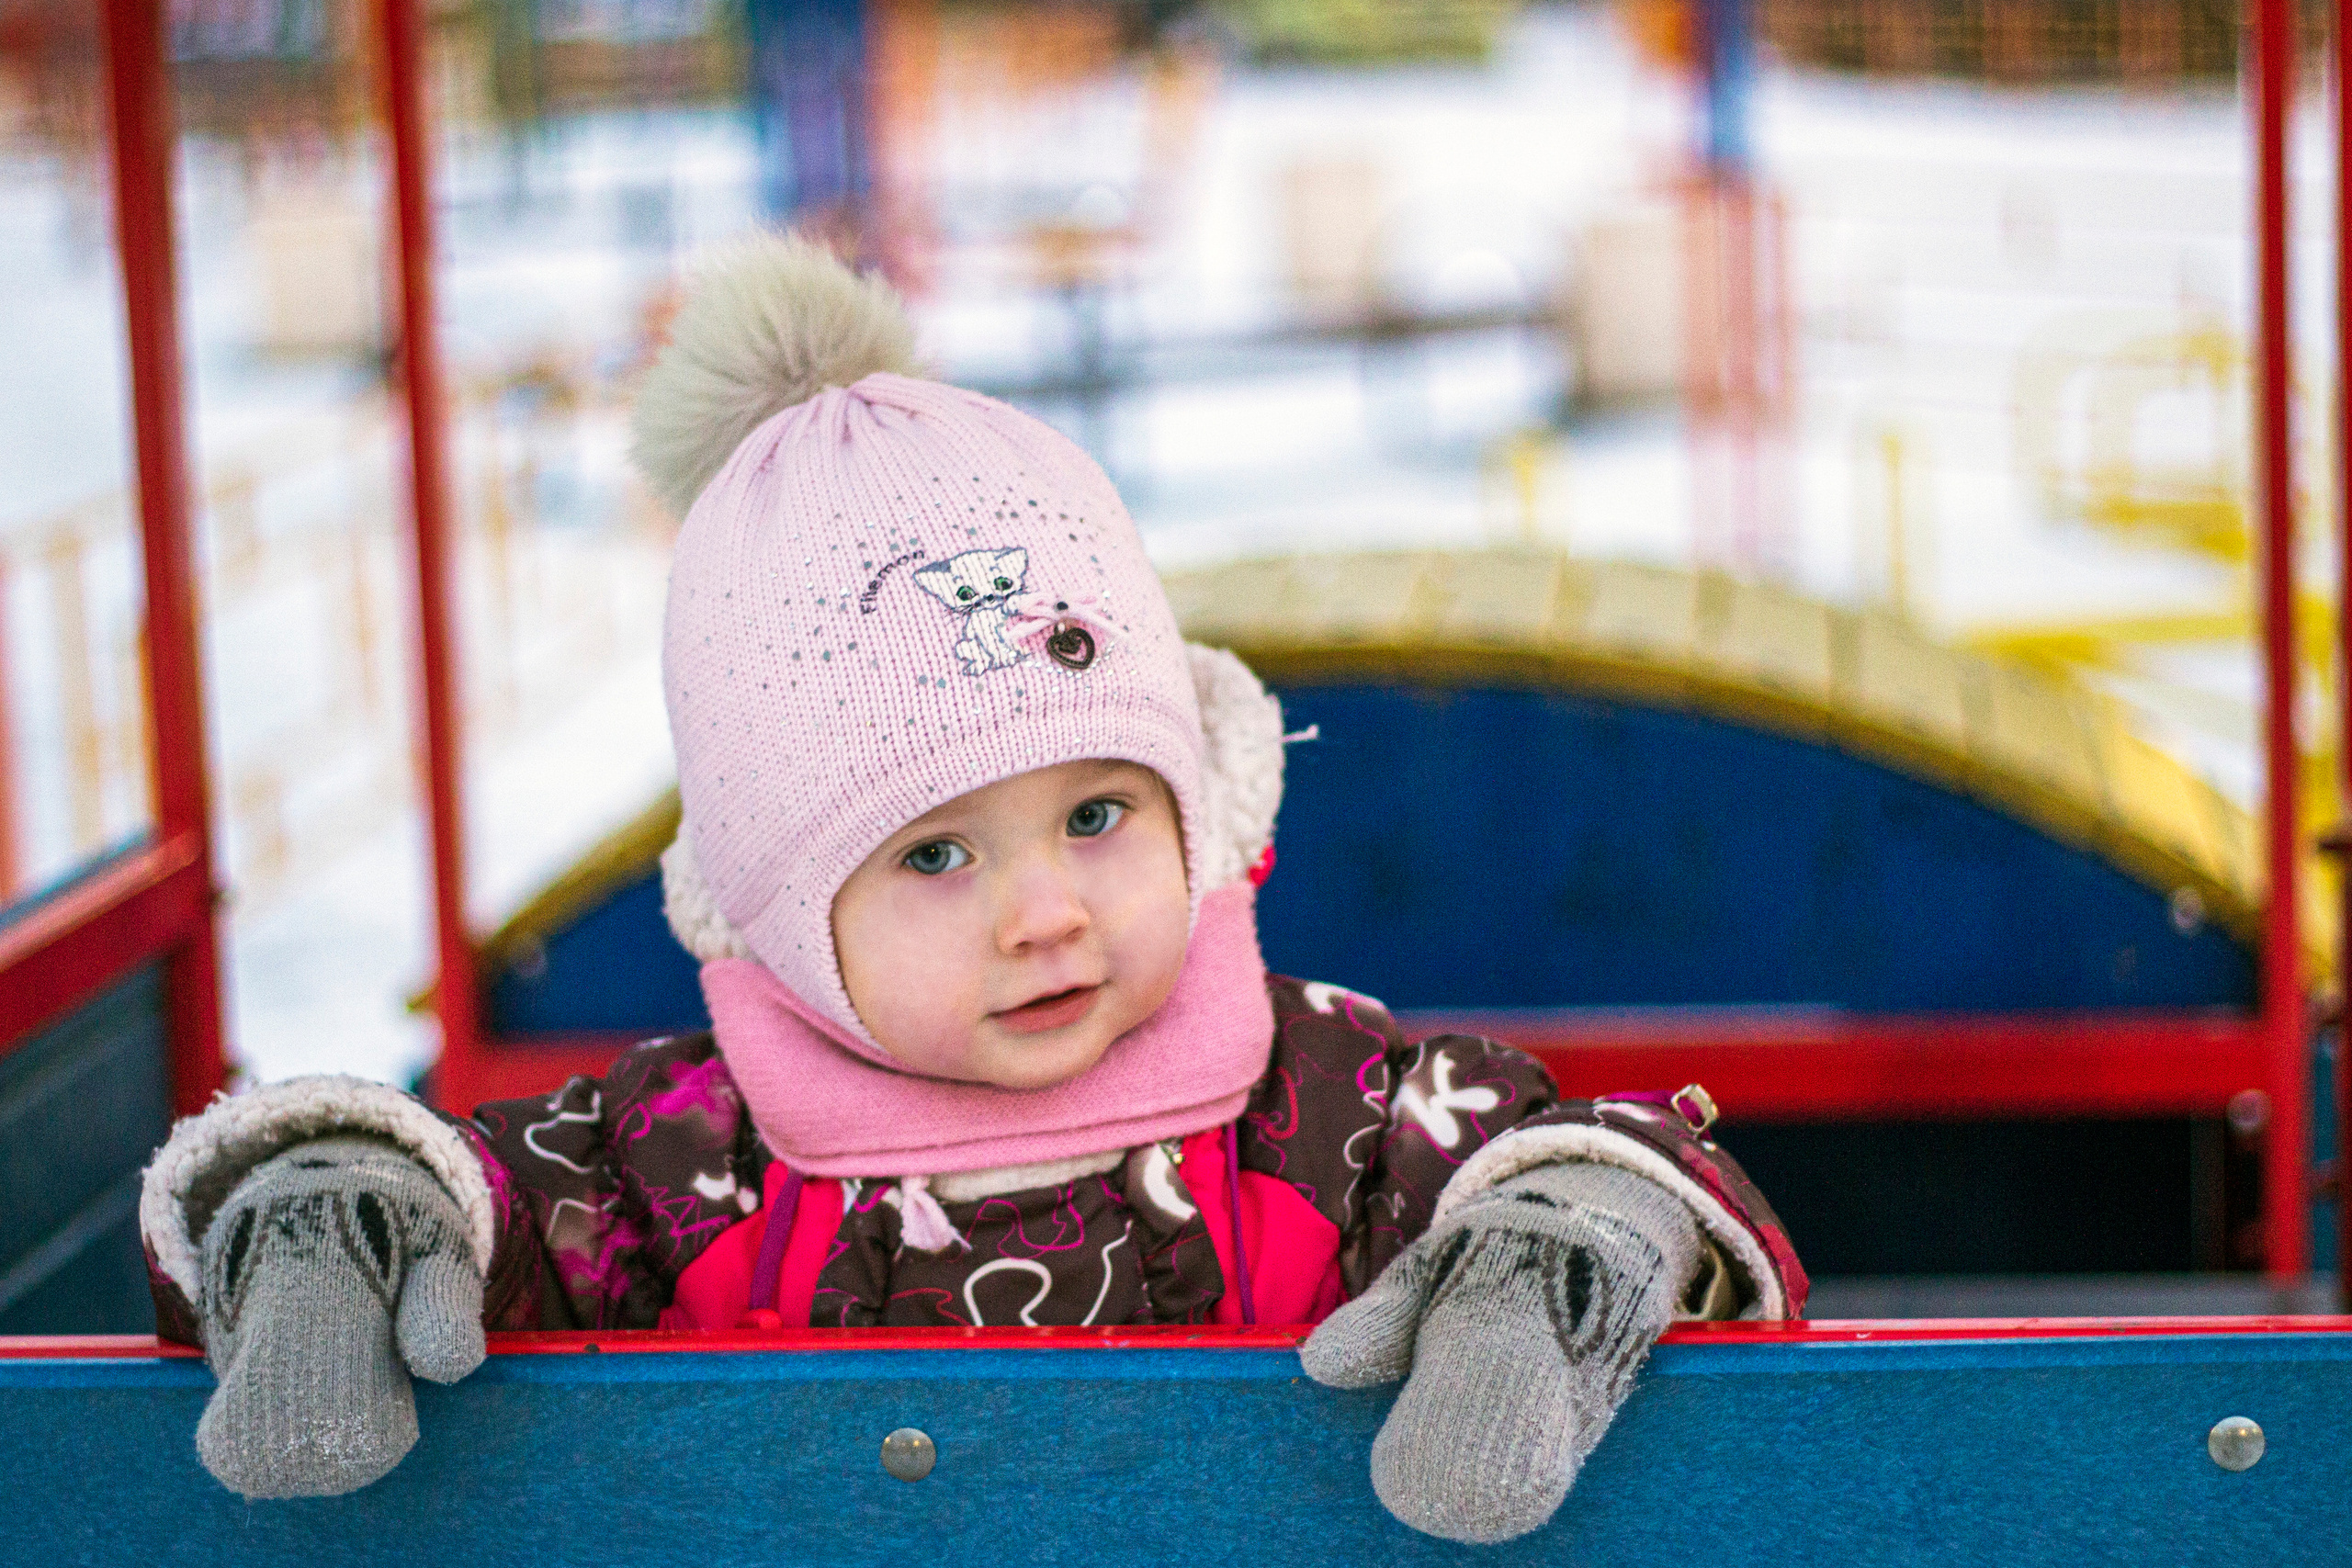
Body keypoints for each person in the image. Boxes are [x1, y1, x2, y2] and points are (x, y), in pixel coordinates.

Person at [138, 234, 1805, 1544]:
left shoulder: (1337, 1106)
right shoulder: (686, 1164)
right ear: (789, 913)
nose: (1045, 913)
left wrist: (1570, 1242)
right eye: (935, 854)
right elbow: (468, 1208)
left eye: (1097, 813)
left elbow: (1607, 1158)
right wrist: (336, 1217)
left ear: (1190, 806)